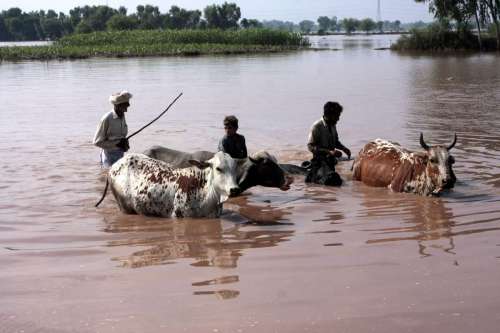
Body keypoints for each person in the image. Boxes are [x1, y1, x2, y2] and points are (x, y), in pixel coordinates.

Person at [306, 101, 351, 185]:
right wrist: (329, 152)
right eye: (337, 116)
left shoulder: (333, 125)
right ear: (329, 115)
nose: (338, 119)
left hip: (330, 163)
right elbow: (310, 146)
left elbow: (336, 142)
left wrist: (344, 149)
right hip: (319, 163)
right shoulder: (317, 126)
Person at [93, 91, 132, 167]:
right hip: (108, 159)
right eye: (125, 106)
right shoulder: (107, 118)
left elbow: (121, 136)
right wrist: (117, 143)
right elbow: (96, 142)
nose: (127, 108)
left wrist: (125, 143)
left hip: (120, 156)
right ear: (117, 106)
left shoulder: (122, 115)